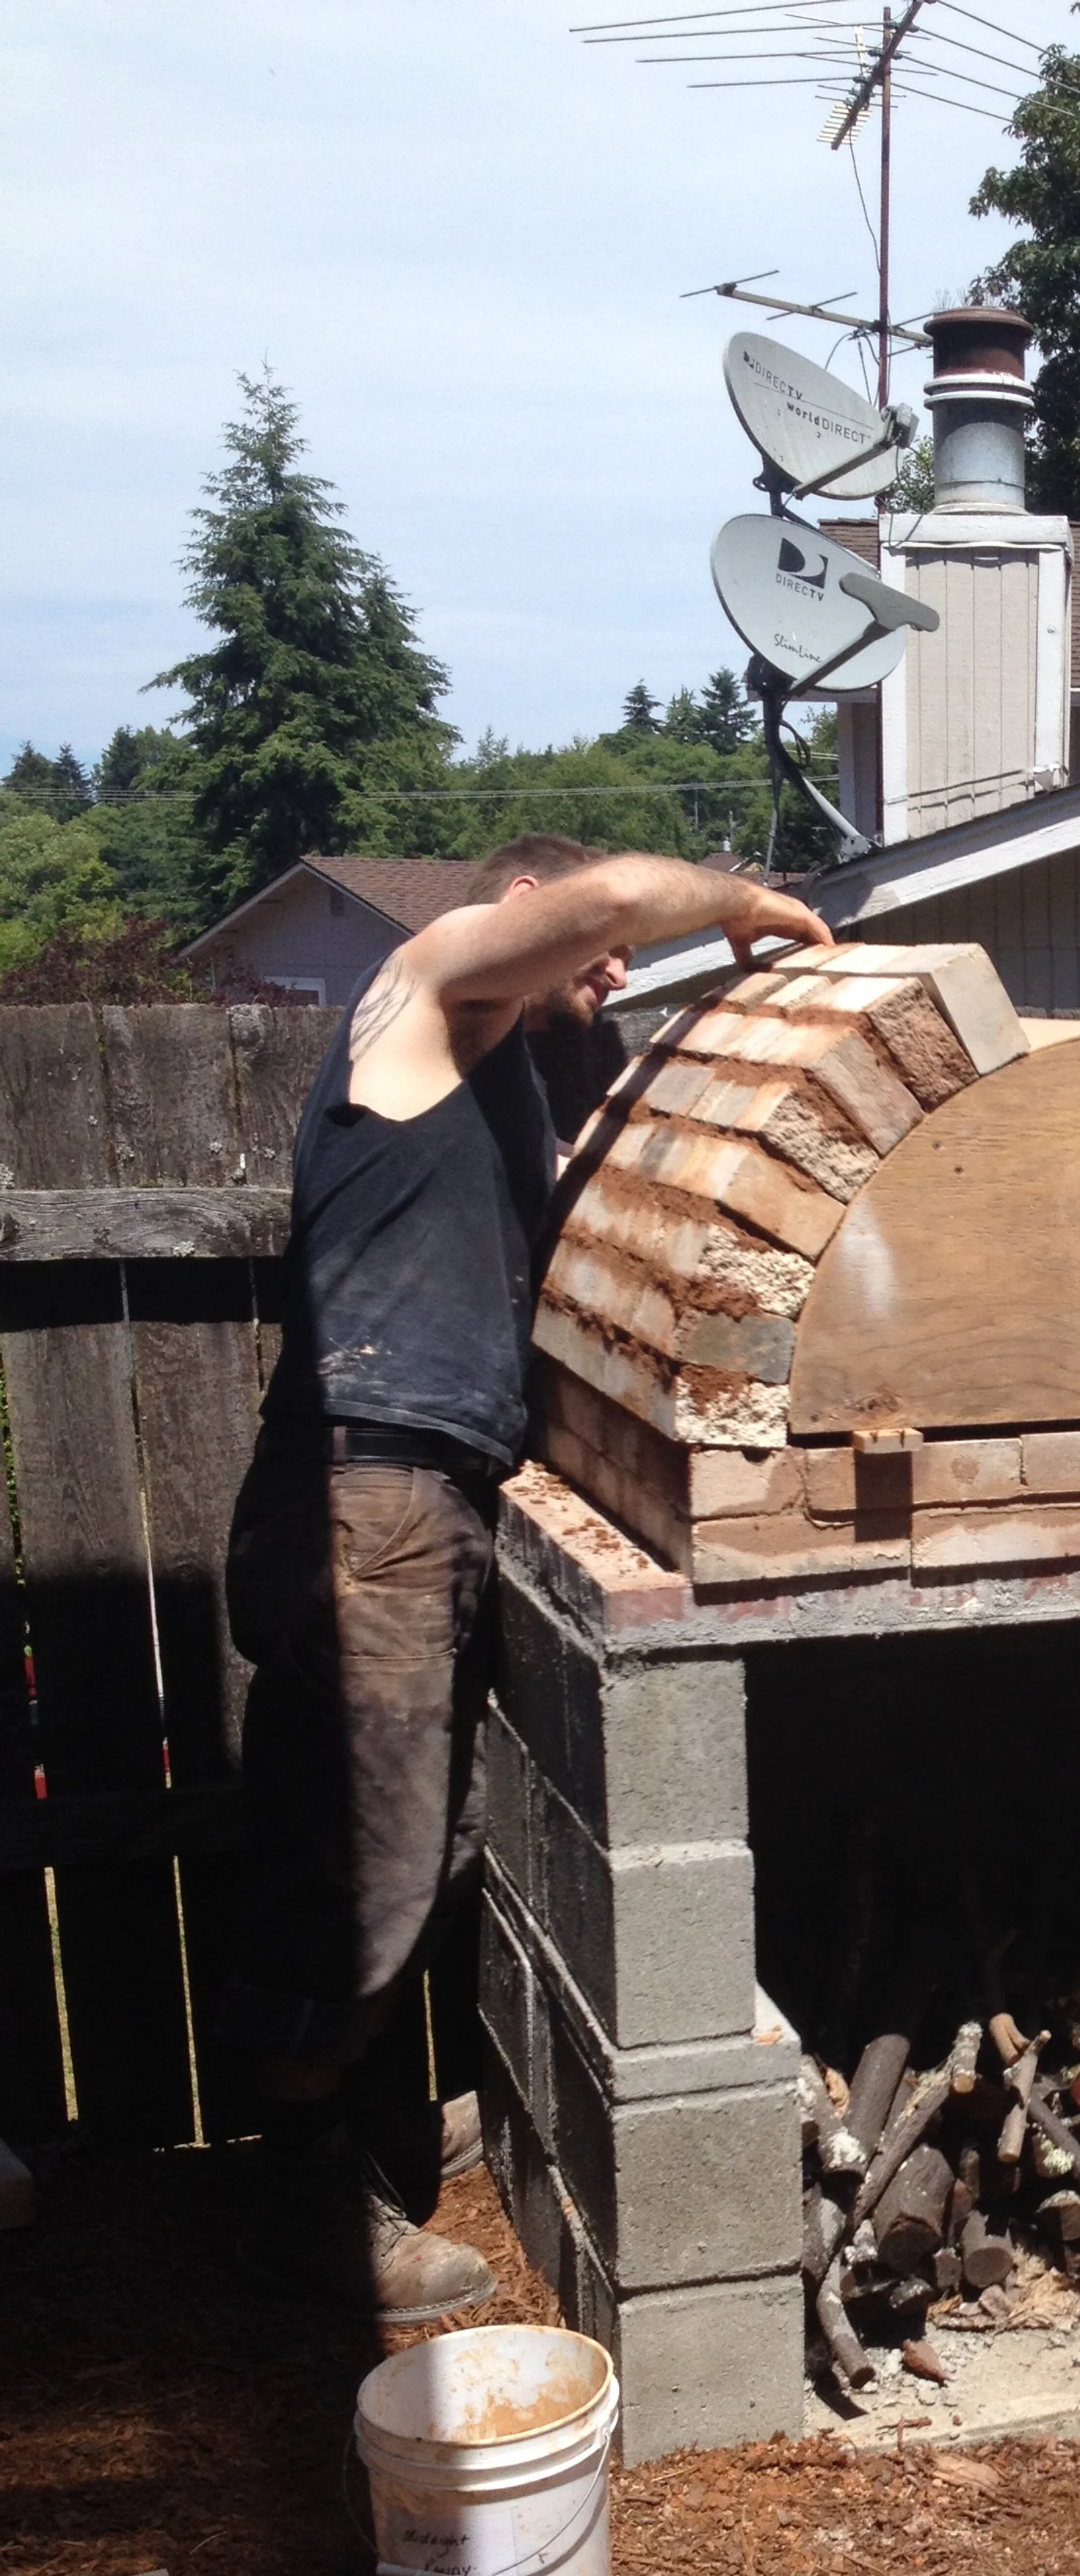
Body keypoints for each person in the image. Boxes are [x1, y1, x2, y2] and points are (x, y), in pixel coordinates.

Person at [222, 836, 832, 2317]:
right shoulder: (424, 993)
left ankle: (352, 2137)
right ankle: (301, 2207)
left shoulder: (507, 1085)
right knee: (358, 1870)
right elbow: (618, 898)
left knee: (415, 1845)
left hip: (422, 1502)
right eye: (582, 953)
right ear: (517, 917)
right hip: (366, 1497)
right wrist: (745, 904)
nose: (607, 972)